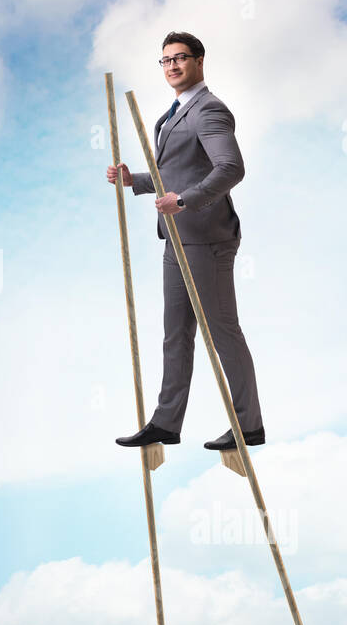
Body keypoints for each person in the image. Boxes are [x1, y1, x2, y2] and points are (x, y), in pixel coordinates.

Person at [105, 31, 265, 454]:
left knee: (222, 331)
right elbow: (174, 175)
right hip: (176, 239)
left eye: (180, 58)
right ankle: (166, 422)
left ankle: (248, 424)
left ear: (199, 61)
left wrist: (187, 200)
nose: (172, 65)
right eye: (165, 60)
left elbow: (230, 168)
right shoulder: (175, 112)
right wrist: (135, 180)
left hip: (206, 238)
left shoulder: (208, 109)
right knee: (175, 333)